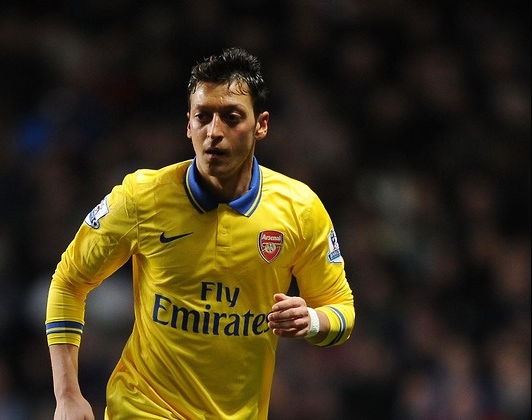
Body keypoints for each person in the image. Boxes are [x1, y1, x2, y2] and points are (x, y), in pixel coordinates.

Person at [45, 47, 355, 420]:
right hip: (143, 407)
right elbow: (69, 281)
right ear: (188, 125)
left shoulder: (300, 210)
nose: (214, 132)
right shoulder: (141, 198)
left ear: (261, 125)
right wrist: (67, 395)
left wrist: (312, 321)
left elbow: (342, 310)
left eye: (232, 117)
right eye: (203, 117)